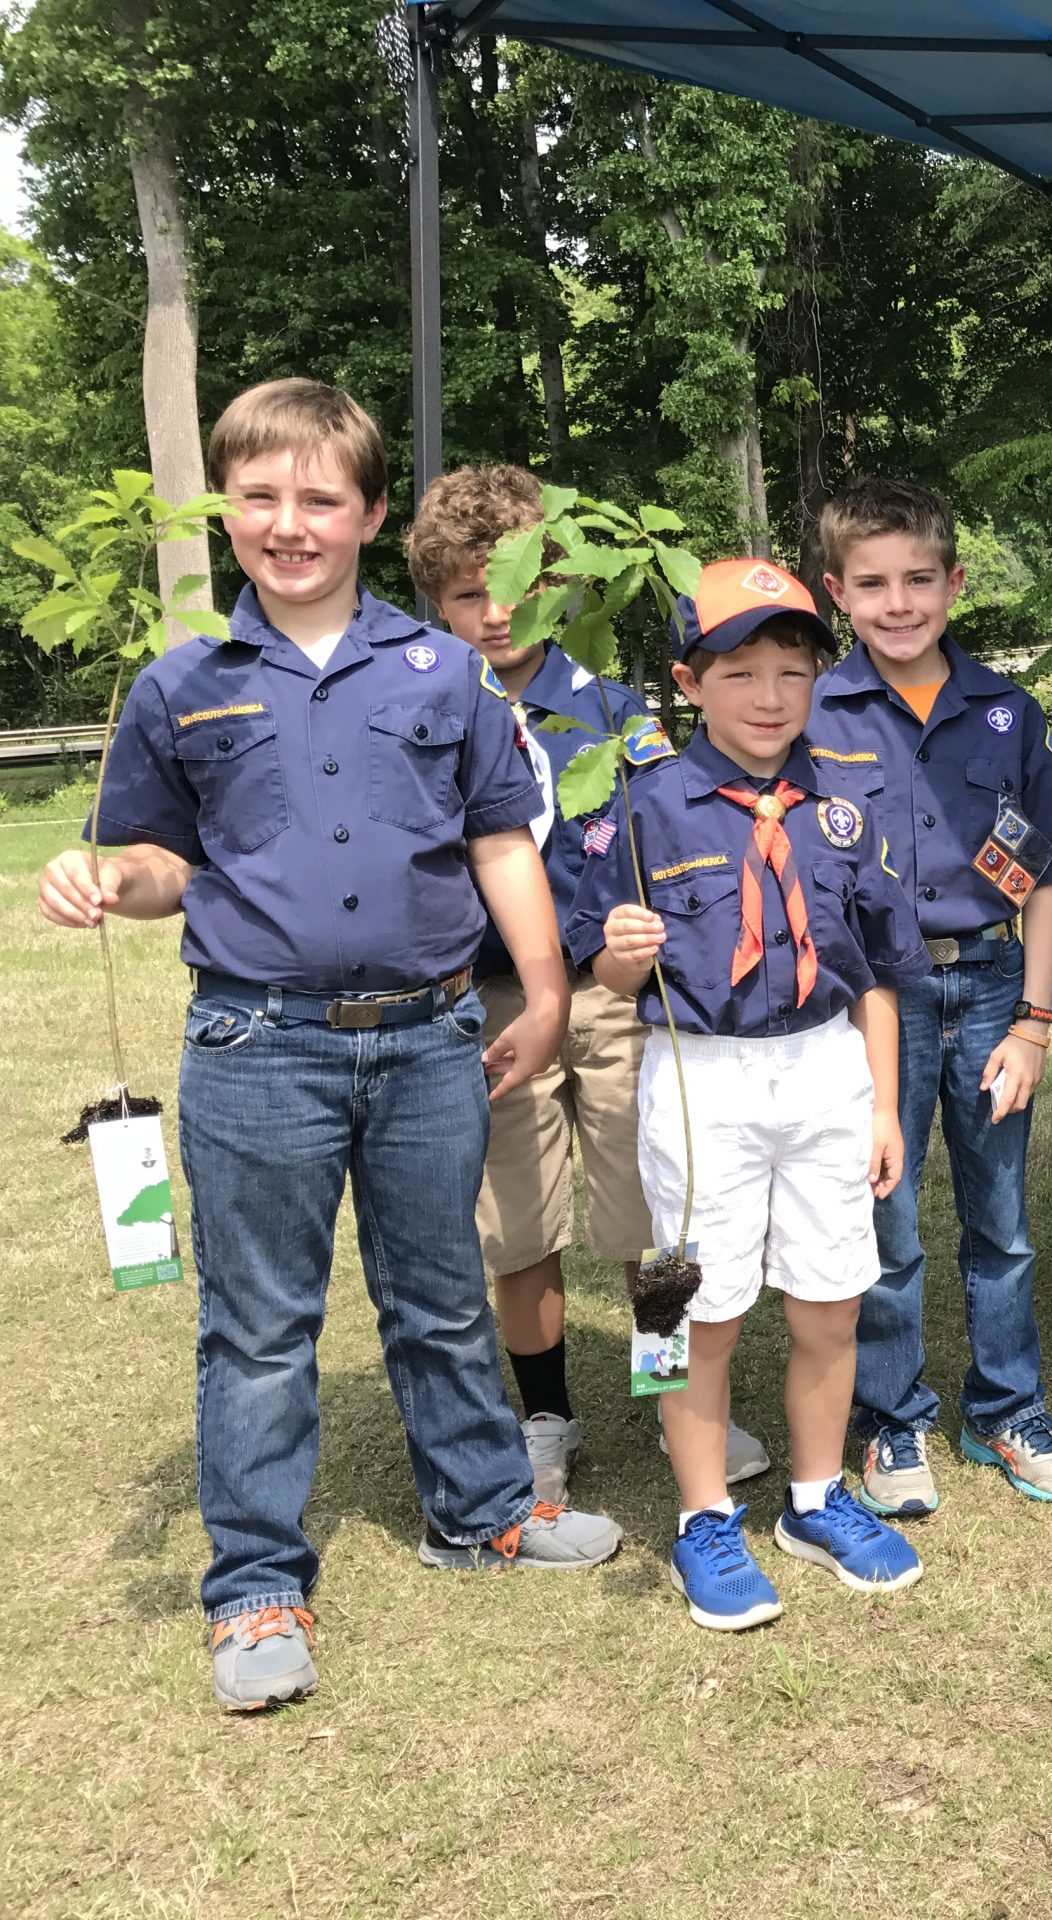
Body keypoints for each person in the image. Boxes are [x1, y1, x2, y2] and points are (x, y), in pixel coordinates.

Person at [36, 379, 623, 1713]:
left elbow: (498, 841)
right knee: (258, 1329)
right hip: (257, 1046)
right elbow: (161, 862)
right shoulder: (181, 686)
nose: (289, 523)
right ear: (227, 512)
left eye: (319, 498)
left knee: (440, 1294)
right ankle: (254, 1586)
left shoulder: (443, 671)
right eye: (260, 497)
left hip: (429, 1041)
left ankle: (482, 1508)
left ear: (367, 513)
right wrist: (108, 879)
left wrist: (540, 991)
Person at [571, 557, 931, 1631]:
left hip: (826, 1067)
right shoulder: (643, 808)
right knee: (685, 1305)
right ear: (689, 682)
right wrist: (623, 953)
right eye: (739, 673)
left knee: (831, 1299)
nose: (770, 696)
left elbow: (876, 972)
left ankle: (816, 1499)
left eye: (792, 670)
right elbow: (608, 971)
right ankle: (702, 1517)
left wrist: (881, 1106)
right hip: (699, 1077)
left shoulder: (846, 803)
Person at [405, 465, 770, 1502]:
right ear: (437, 602)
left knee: (654, 1209)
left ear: (561, 587)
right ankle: (545, 1416)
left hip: (615, 995)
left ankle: (674, 1398)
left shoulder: (611, 710)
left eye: (518, 591)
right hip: (492, 1000)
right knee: (519, 1219)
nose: (496, 615)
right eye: (469, 595)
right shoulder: (420, 711)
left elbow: (672, 833)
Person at [807, 478, 1052, 1516]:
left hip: (988, 991)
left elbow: (1044, 874)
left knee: (1002, 1220)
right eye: (873, 584)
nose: (898, 604)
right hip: (872, 999)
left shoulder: (1007, 713)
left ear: (955, 583)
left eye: (919, 580)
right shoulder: (813, 715)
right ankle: (891, 1420)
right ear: (836, 591)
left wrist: (1033, 1024)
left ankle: (1006, 1409)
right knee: (884, 1219)